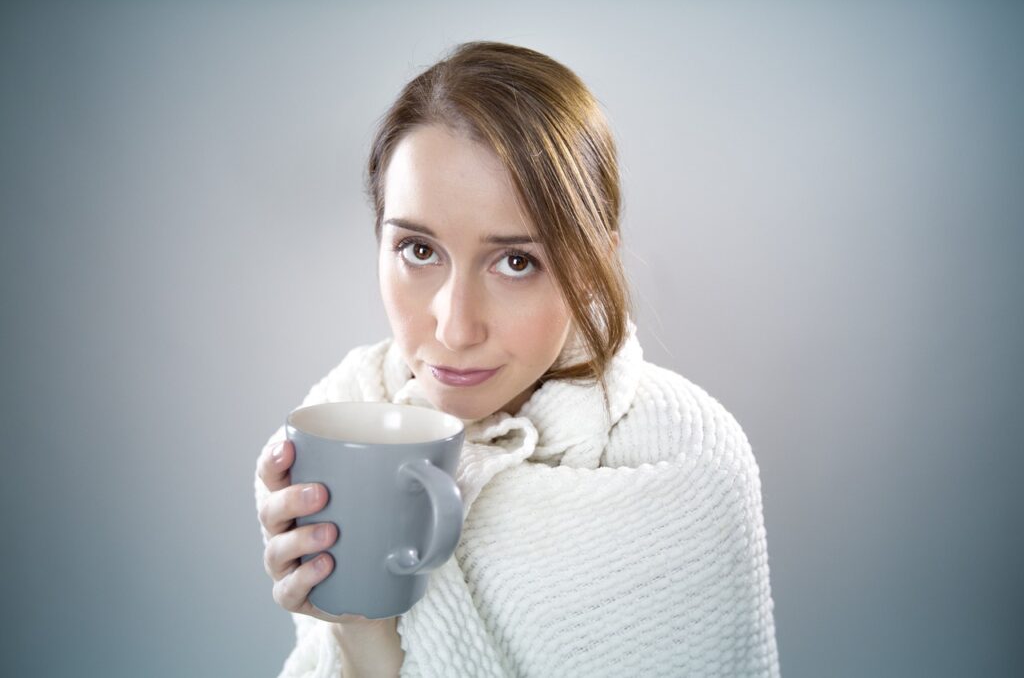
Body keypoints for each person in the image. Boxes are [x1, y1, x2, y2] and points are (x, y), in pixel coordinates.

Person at [254, 40, 780, 677]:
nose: (454, 326)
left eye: (516, 262)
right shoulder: (351, 406)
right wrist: (354, 622)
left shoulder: (685, 458)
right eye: (419, 251)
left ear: (591, 267)